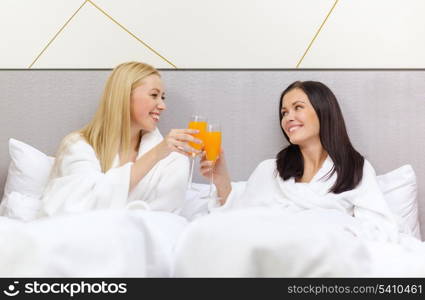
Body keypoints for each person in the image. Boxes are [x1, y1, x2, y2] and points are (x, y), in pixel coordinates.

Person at [199, 80, 399, 241]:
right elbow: (240, 222)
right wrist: (221, 179)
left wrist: (333, 230)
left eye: (298, 108)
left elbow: (380, 228)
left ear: (323, 111)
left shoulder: (355, 168)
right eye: (284, 112)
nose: (288, 118)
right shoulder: (270, 169)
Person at [40, 61, 202, 217]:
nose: (162, 105)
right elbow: (80, 206)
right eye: (154, 95)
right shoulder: (77, 146)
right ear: (124, 96)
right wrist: (155, 154)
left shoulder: (172, 158)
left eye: (162, 97)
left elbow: (167, 217)